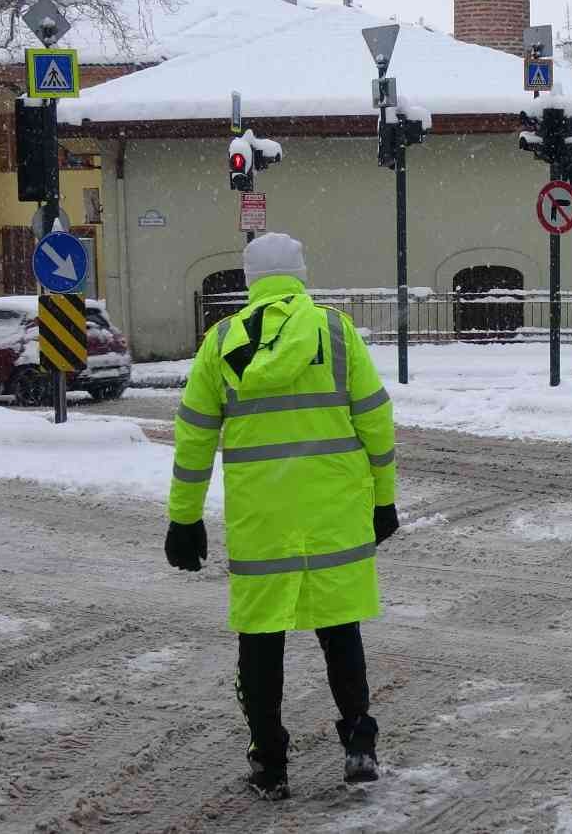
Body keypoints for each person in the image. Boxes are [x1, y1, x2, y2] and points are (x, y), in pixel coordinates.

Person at [165, 232, 399, 801]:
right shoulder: (337, 333)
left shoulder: (221, 342)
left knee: (261, 642)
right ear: (300, 274)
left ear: (249, 280)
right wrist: (383, 497)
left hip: (261, 519)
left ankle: (270, 762)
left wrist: (184, 518)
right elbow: (374, 419)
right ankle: (359, 742)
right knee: (340, 630)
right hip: (334, 512)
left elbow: (194, 438)